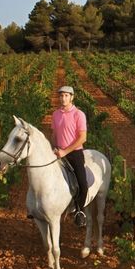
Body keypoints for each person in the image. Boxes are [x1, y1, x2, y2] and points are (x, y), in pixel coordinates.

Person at [51, 86, 88, 227]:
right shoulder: (55, 114)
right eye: (61, 95)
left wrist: (65, 152)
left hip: (75, 153)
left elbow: (82, 138)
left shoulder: (79, 114)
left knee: (82, 185)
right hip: (59, 152)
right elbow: (54, 134)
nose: (63, 98)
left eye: (66, 95)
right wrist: (54, 147)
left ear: (72, 97)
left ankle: (80, 211)